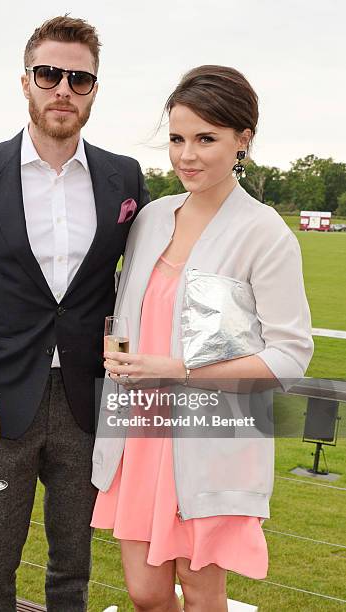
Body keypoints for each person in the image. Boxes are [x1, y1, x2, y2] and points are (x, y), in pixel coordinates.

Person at [0, 15, 149, 612]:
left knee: (72, 570)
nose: (63, 90)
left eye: (80, 79)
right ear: (25, 81)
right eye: (49, 74)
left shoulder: (123, 176)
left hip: (86, 400)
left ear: (95, 89)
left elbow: (147, 281)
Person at [91, 65, 314, 611]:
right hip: (140, 432)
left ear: (243, 140)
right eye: (176, 138)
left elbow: (291, 354)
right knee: (145, 594)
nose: (186, 156)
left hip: (213, 436)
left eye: (206, 139)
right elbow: (130, 315)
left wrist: (180, 370)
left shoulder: (265, 232)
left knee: (200, 590)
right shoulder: (151, 219)